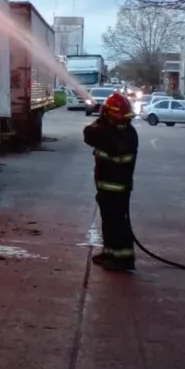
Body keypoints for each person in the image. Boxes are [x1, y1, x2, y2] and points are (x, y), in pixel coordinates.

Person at [83, 91, 139, 272]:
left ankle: (123, 259)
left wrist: (102, 120)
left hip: (116, 188)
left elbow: (90, 134)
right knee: (109, 222)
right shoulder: (122, 131)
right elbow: (90, 134)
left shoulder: (115, 134)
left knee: (117, 224)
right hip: (109, 187)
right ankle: (109, 253)